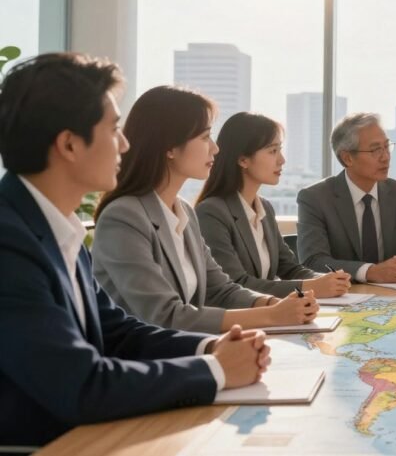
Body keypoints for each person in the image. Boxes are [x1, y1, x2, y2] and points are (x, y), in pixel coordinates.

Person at [0, 53, 270, 448]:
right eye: (113, 130)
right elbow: (82, 385)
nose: (125, 144)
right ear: (70, 145)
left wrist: (211, 346)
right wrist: (215, 370)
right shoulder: (9, 243)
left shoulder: (56, 228)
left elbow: (118, 332)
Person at [92, 86, 318, 334]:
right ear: (169, 147)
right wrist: (272, 315)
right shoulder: (124, 216)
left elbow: (220, 288)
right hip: (145, 361)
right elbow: (165, 315)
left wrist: (273, 303)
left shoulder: (184, 211)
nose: (215, 148)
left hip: (190, 349)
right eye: (204, 137)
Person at [196, 112, 351, 298]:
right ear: (243, 160)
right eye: (272, 151)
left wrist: (327, 280)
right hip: (240, 320)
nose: (282, 160)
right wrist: (312, 286)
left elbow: (289, 268)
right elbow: (236, 284)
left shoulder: (265, 208)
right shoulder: (211, 212)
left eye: (280, 150)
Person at [297, 112, 396, 282]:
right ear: (347, 158)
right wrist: (370, 272)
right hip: (342, 298)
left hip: (393, 299)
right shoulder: (315, 198)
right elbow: (313, 261)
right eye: (375, 150)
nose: (385, 157)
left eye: (387, 147)